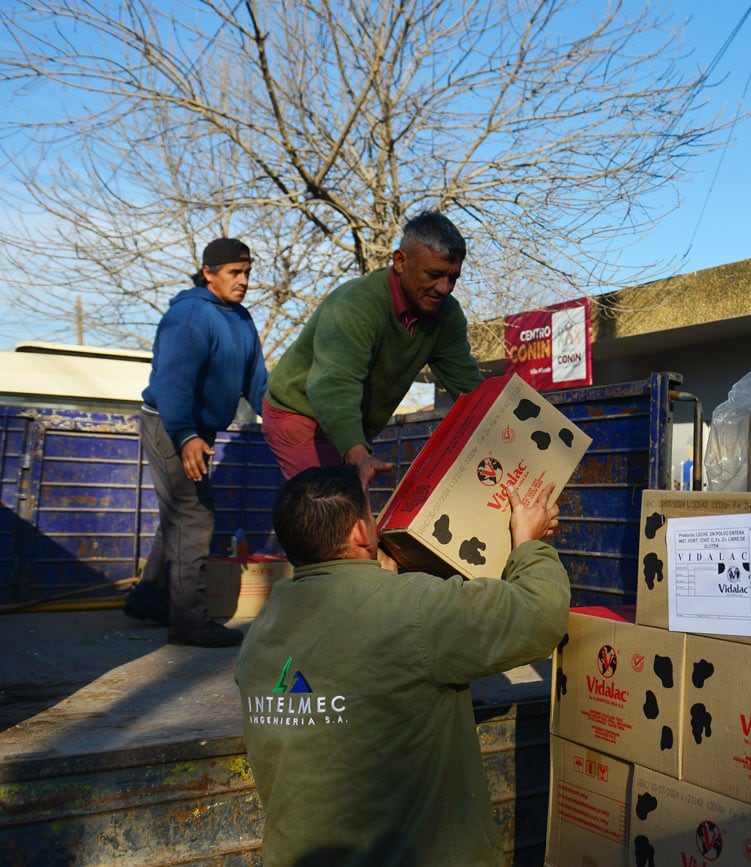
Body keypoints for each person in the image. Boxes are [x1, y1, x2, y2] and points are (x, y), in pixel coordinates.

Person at [234, 465, 568, 866]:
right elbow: (540, 613)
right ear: (361, 532)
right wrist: (527, 545)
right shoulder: (413, 609)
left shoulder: (262, 631)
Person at [261, 210, 483, 488]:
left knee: (346, 515)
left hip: (350, 421)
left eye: (453, 278)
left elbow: (469, 387)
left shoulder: (447, 315)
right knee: (328, 512)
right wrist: (356, 452)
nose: (444, 288)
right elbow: (334, 385)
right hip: (299, 412)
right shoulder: (355, 305)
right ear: (400, 261)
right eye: (434, 274)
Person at [123, 237, 269, 648]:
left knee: (180, 513)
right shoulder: (189, 316)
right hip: (170, 424)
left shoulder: (241, 319)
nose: (243, 281)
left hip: (196, 430)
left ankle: (150, 598)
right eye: (233, 273)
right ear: (208, 273)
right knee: (194, 515)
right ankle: (188, 622)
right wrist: (186, 435)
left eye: (247, 273)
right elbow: (173, 384)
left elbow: (257, 385)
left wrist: (282, 420)